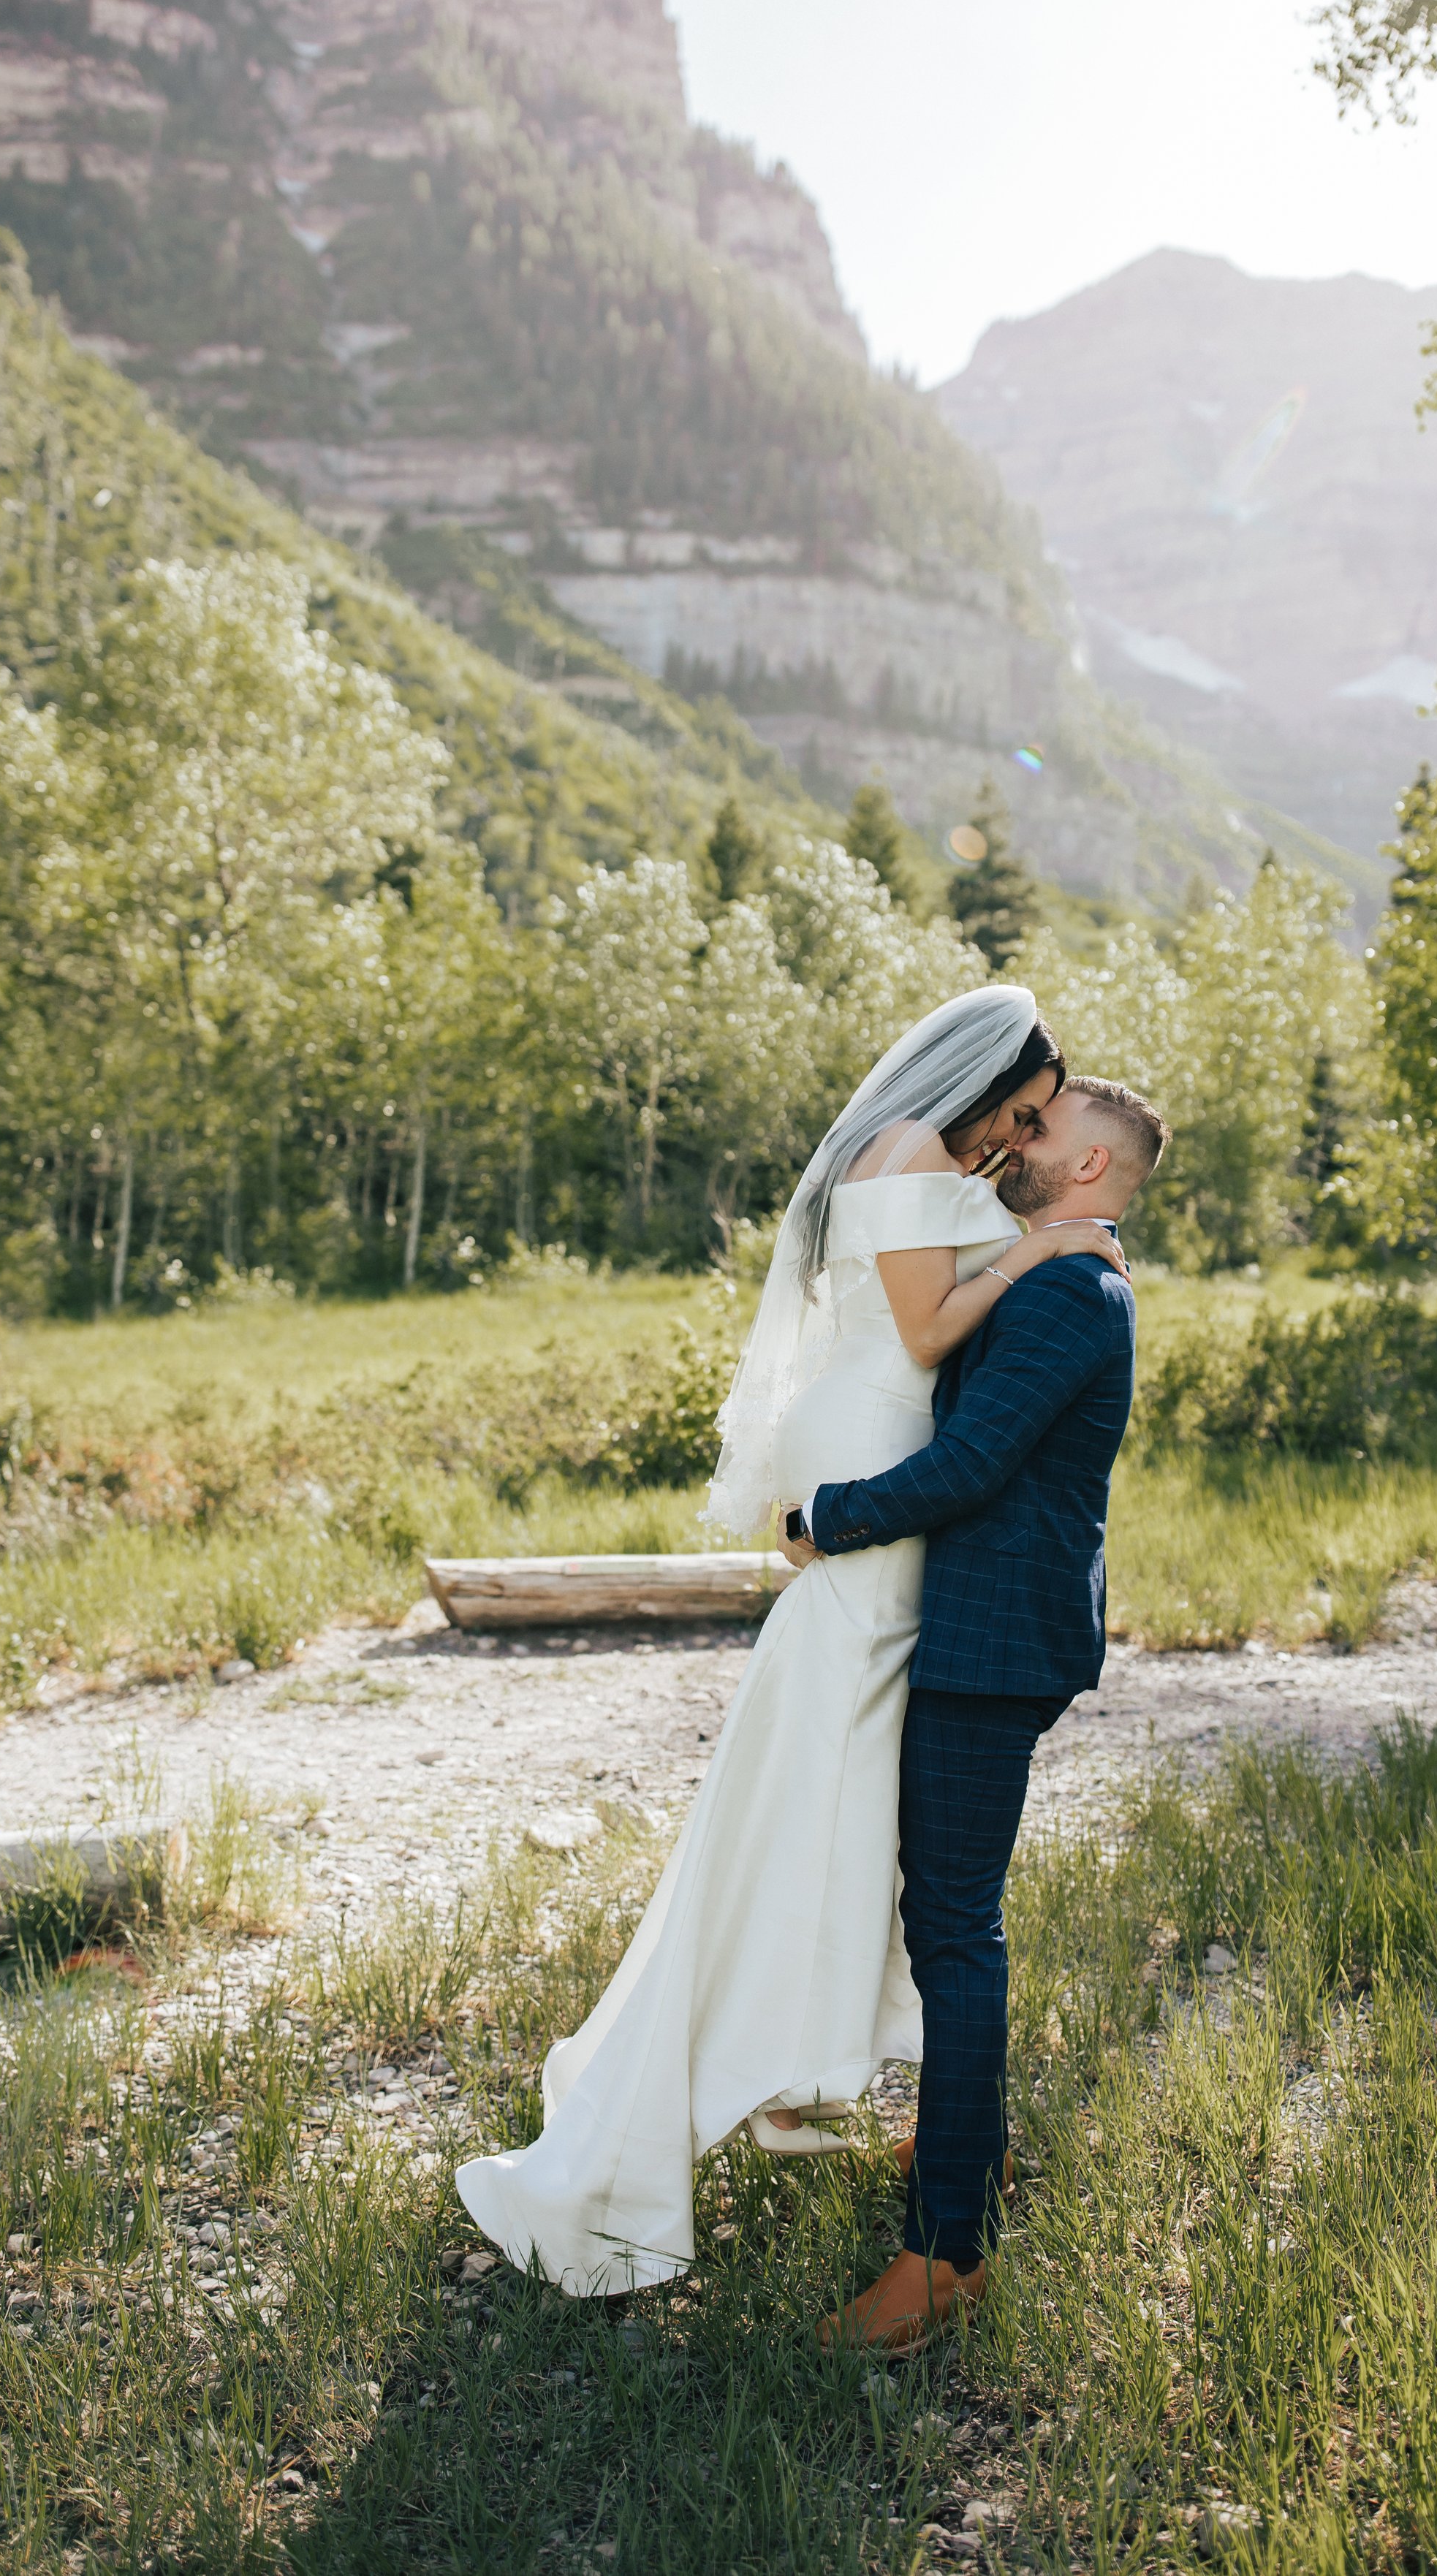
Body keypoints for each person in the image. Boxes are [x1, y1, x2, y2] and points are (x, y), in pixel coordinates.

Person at [454, 985, 1126, 2295]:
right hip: (876, 1443)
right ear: (989, 1082)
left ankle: (796, 2064)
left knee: (836, 1780)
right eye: (1026, 1110)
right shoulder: (915, 1158)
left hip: (873, 1441)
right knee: (853, 1797)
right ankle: (777, 2072)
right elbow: (929, 1330)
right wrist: (1039, 1251)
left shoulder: (932, 1162)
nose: (1024, 1138)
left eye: (1045, 1124)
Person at [778, 1074, 1170, 2352]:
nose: (1014, 1140)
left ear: (1092, 1171)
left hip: (992, 1643)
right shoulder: (1053, 1269)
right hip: (982, 1629)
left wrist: (824, 1520)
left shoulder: (1071, 1289)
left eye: (1040, 1132)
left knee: (954, 1929)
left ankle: (946, 2253)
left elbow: (972, 1464)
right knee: (949, 1916)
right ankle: (972, 2150)